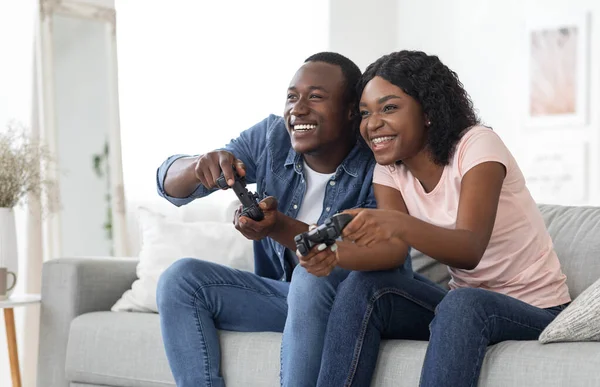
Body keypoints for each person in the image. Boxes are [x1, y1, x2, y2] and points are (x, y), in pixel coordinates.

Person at [310, 50, 572, 387]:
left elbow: (469, 247)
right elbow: (392, 253)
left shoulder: (477, 146)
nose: (372, 124)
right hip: (460, 309)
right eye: (364, 113)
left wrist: (392, 222)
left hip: (536, 310)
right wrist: (334, 256)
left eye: (389, 108)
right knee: (364, 286)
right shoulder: (389, 170)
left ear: (429, 111)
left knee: (464, 303)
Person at [155, 52, 382, 387]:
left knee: (312, 276)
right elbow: (166, 182)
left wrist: (277, 227)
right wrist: (199, 165)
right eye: (292, 97)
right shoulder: (271, 139)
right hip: (284, 297)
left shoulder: (377, 161)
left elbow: (358, 249)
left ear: (351, 110)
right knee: (180, 280)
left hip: (347, 303)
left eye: (315, 97)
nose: (298, 109)